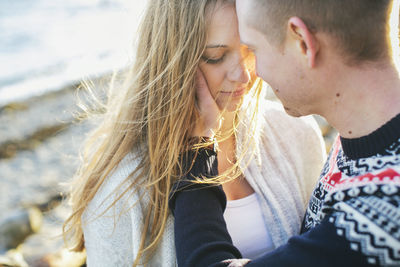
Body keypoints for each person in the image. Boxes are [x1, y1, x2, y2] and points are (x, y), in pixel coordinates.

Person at [62, 0, 325, 266]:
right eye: (215, 56)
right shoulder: (119, 191)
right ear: (172, 61)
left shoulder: (295, 133)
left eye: (250, 49)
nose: (244, 75)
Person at [170, 0, 400, 266]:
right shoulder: (361, 139)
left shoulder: (383, 211)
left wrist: (196, 148)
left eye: (253, 49)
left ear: (302, 42)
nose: (252, 74)